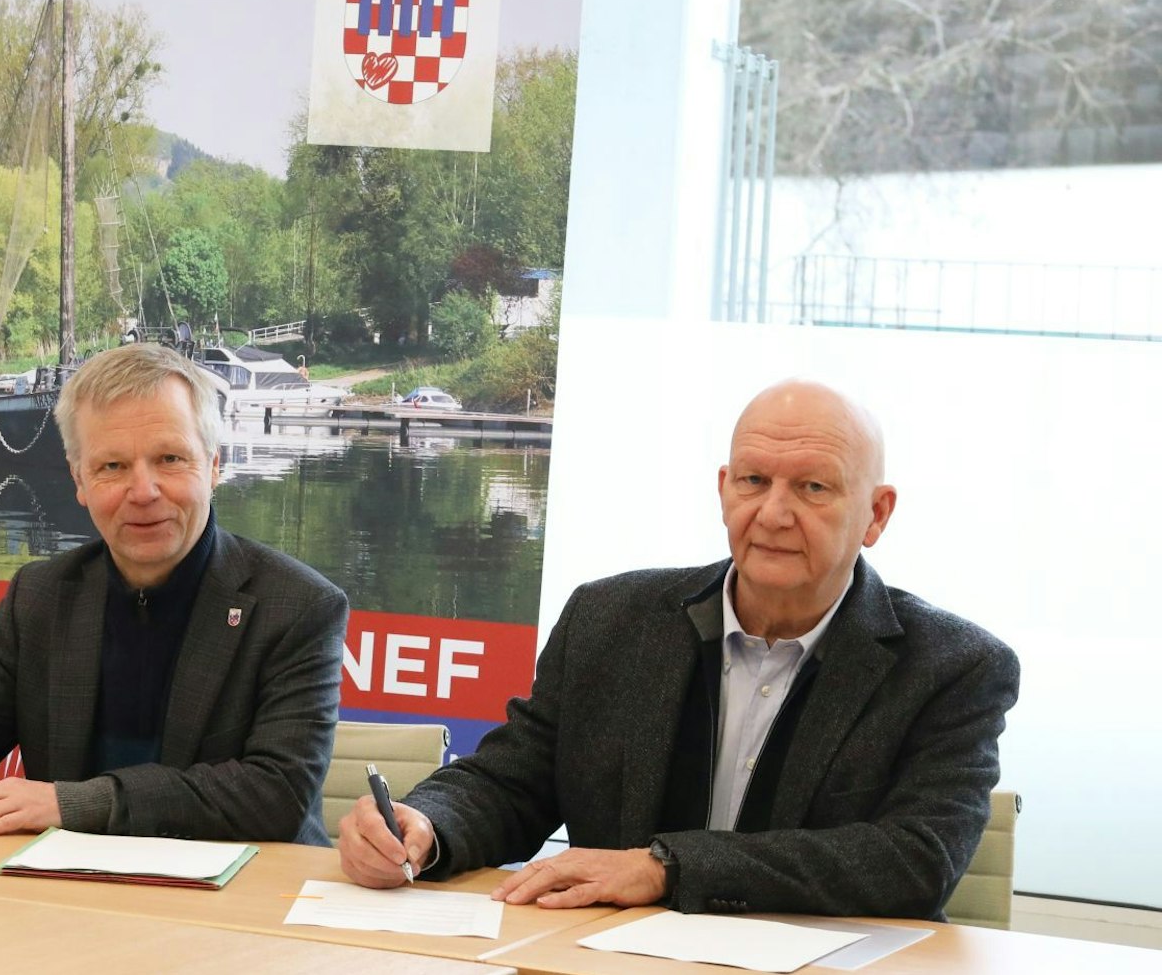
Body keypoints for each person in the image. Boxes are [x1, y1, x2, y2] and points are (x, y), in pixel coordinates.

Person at [340, 380, 1020, 920]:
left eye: (813, 487)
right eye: (754, 480)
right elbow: (514, 780)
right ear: (724, 488)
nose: (775, 513)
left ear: (876, 513)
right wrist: (426, 824)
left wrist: (666, 866)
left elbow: (913, 859)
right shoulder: (610, 619)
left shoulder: (954, 668)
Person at [0, 342, 348, 844]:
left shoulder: (299, 607)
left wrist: (72, 803)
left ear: (214, 466)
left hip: (242, 906)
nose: (143, 492)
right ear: (79, 480)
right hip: (68, 897)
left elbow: (276, 794)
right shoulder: (41, 596)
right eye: (112, 467)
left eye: (170, 459)